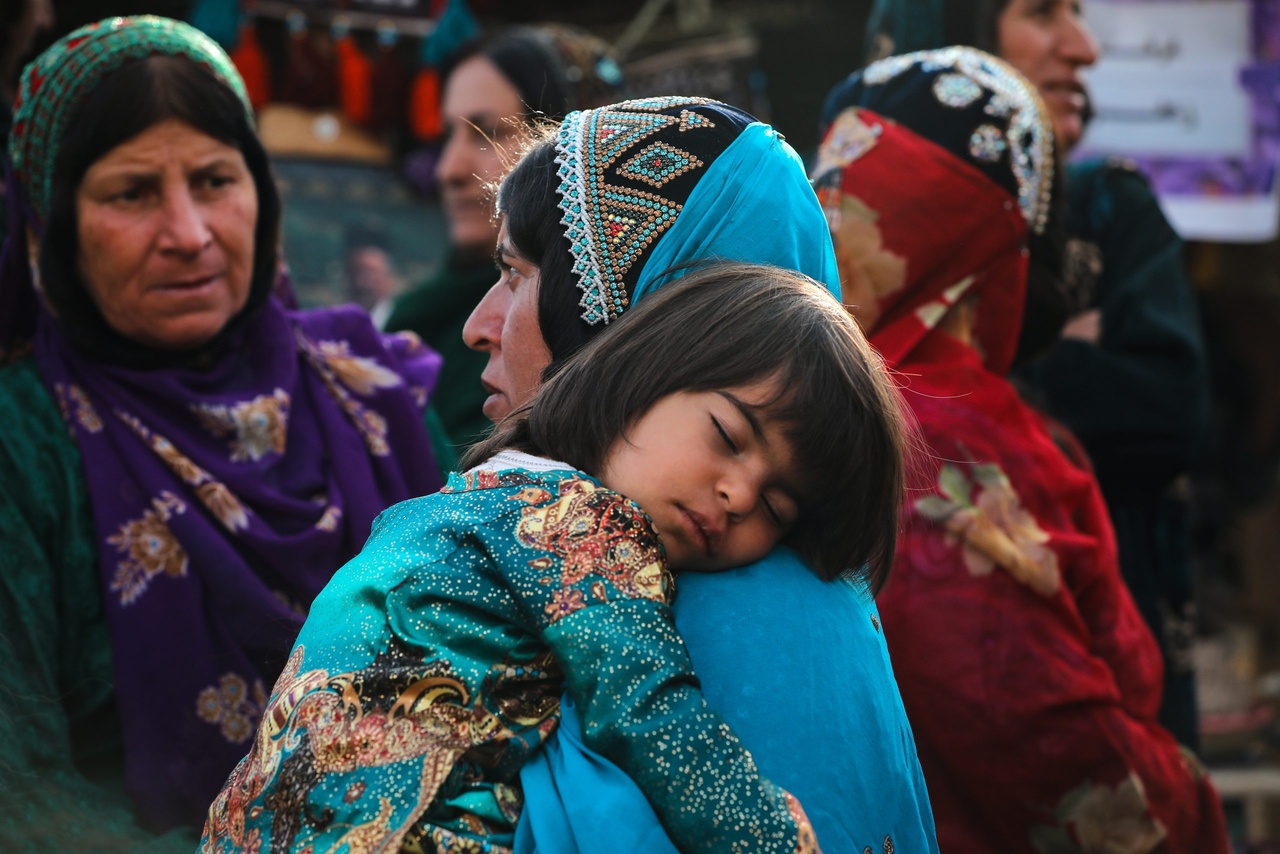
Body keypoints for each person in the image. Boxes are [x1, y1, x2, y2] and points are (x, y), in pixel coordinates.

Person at [202, 261, 908, 853]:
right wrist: (775, 838)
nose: (737, 493)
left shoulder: (477, 493)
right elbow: (647, 711)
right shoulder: (579, 523)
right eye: (727, 434)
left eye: (777, 509)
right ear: (647, 373)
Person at [0, 16, 449, 848]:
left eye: (214, 180)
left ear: (261, 193)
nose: (189, 234)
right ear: (54, 226)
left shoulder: (375, 397)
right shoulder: (22, 445)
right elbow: (18, 793)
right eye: (131, 193)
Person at [465, 97, 939, 852]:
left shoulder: (741, 606)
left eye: (519, 276)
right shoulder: (540, 543)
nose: (479, 325)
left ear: (634, 333)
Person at [813, 46, 1229, 850]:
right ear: (998, 245)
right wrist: (1183, 799)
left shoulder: (819, 405)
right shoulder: (942, 445)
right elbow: (1061, 759)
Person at [386, 24, 625, 450]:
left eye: (487, 134)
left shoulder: (599, 343)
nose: (448, 170)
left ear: (564, 153)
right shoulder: (420, 319)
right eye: (447, 137)